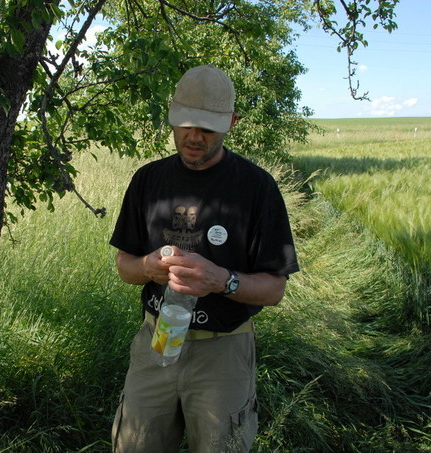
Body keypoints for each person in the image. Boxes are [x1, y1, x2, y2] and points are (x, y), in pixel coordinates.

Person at [109, 64, 300, 452]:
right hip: (155, 343)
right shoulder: (148, 180)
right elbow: (125, 267)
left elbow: (275, 289)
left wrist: (223, 280)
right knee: (135, 445)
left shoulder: (257, 188)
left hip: (223, 352)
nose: (194, 137)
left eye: (207, 128)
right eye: (185, 125)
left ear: (232, 122)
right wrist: (148, 268)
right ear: (172, 117)